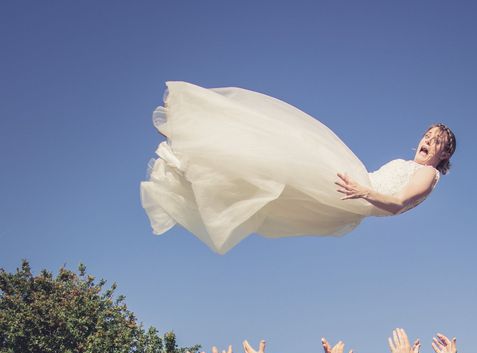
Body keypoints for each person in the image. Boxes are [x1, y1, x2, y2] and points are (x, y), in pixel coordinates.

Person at [140, 81, 456, 254]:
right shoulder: (410, 165)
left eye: (436, 141)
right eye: (426, 135)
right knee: (276, 171)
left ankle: (190, 146)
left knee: (283, 157)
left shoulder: (429, 174)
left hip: (354, 192)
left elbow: (399, 204)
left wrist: (364, 190)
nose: (426, 140)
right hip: (353, 194)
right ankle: (190, 147)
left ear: (444, 154)